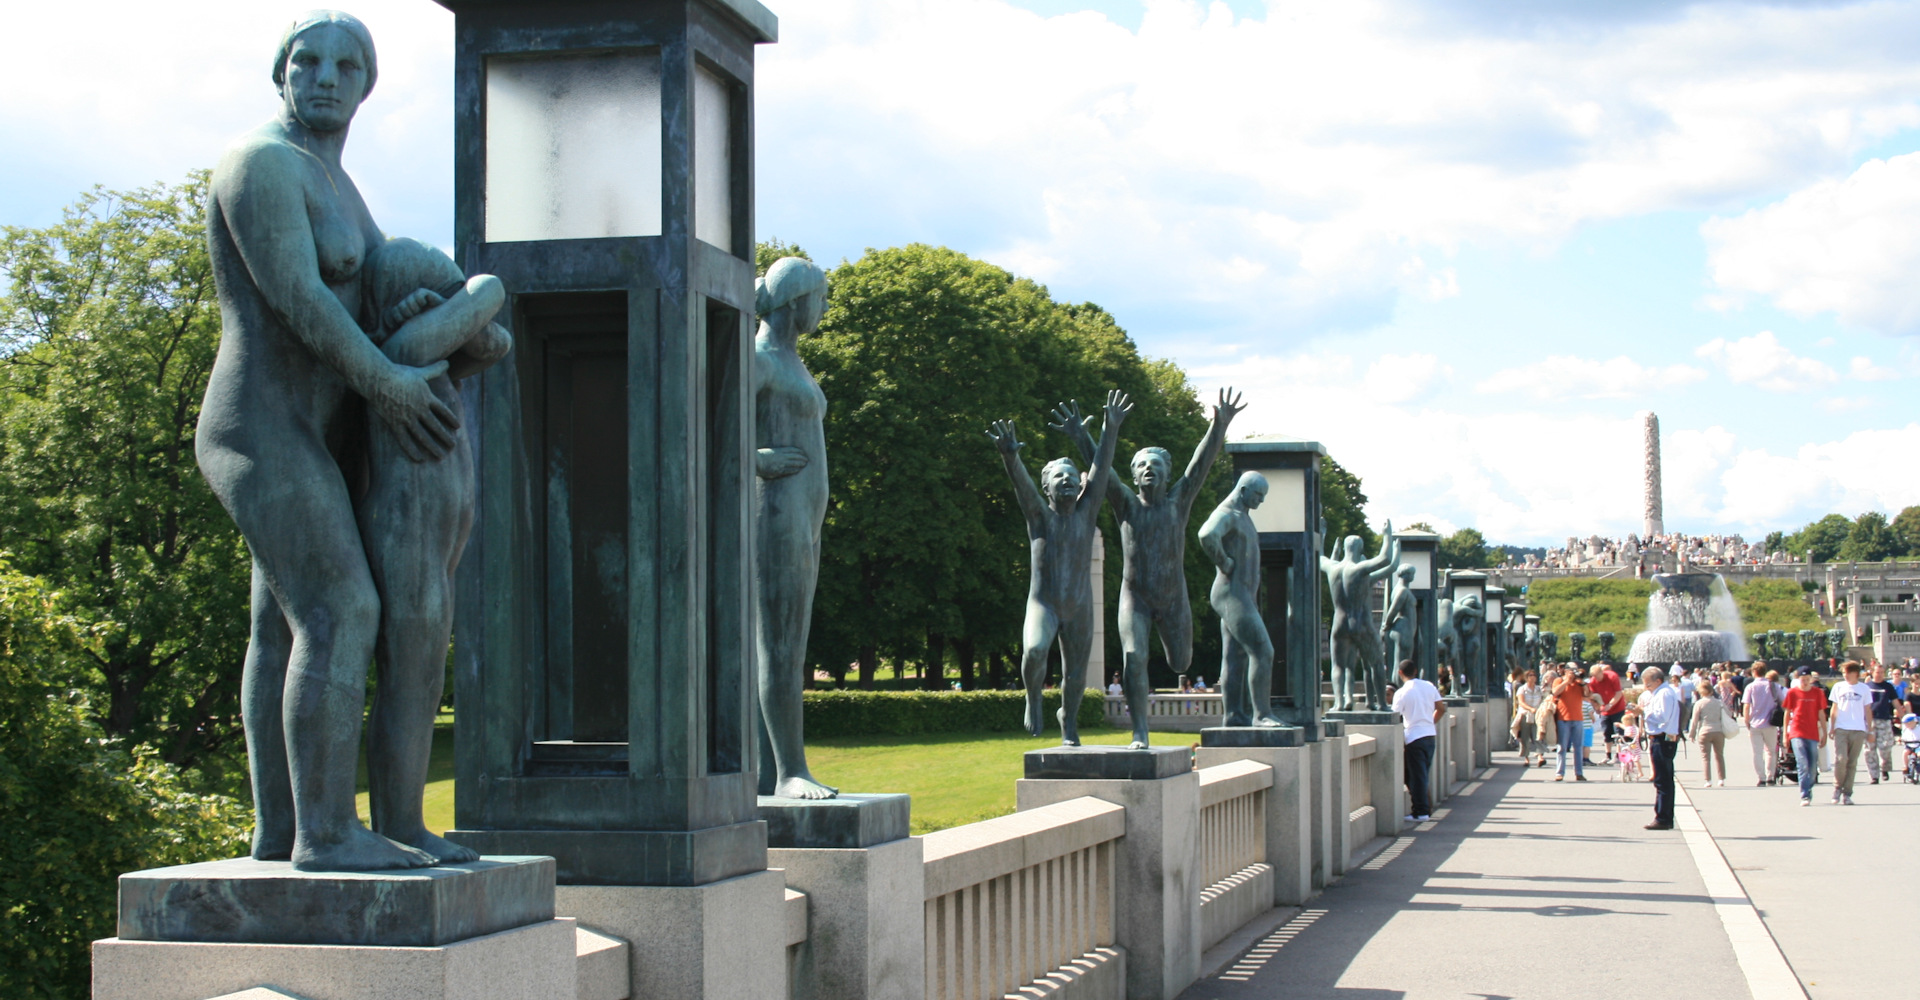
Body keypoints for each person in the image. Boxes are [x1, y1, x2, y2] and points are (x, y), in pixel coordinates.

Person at [198, 12, 512, 871]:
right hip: (261, 428)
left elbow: (383, 292)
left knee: (281, 629)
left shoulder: (341, 187)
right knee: (343, 611)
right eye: (307, 60)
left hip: (325, 436)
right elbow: (301, 300)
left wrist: (437, 317)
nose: (325, 76)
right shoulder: (262, 165)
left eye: (346, 65)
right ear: (281, 71)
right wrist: (389, 381)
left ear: (367, 85)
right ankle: (327, 835)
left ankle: (285, 833)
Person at [988, 391, 1131, 744]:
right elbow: (1022, 488)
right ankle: (1033, 697)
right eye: (1058, 477)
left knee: (1077, 677)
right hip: (1045, 605)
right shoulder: (1039, 517)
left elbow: (1101, 469)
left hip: (1079, 608)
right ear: (1046, 488)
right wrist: (1010, 457)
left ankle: (1068, 721)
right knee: (1035, 650)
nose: (1067, 480)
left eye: (1072, 476)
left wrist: (1110, 429)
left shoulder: (1087, 512)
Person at [1390, 659, 1445, 823]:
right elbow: (1441, 709)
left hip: (1413, 736)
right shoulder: (1429, 686)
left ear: (1400, 673)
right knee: (1422, 774)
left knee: (1416, 776)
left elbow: (1394, 716)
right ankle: (1422, 808)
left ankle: (1421, 812)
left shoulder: (1401, 693)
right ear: (1415, 671)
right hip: (1429, 735)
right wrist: (1430, 722)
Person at [1638, 667, 1681, 829]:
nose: (1646, 688)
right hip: (1660, 737)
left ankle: (1663, 817)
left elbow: (1662, 716)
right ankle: (1664, 816)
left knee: (1663, 780)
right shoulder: (1660, 693)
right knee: (1662, 779)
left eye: (1648, 685)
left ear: (1658, 681)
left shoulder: (1664, 694)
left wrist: (1643, 711)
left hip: (1663, 738)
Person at [1782, 667, 1829, 806]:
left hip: (1812, 732)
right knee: (1802, 763)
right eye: (1802, 680)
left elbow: (1821, 713)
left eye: (1807, 679)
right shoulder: (1793, 693)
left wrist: (1825, 732)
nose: (1805, 682)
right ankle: (1804, 794)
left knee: (1813, 765)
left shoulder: (1817, 693)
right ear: (1798, 680)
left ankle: (1809, 786)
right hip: (1797, 731)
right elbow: (1787, 713)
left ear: (1811, 680)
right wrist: (1786, 733)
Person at [1827, 660, 1872, 805]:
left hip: (1858, 729)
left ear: (1855, 674)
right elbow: (1834, 708)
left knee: (1852, 763)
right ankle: (1837, 787)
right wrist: (1832, 726)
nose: (1845, 675)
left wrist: (1869, 730)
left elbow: (1867, 710)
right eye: (1843, 673)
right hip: (1841, 728)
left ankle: (1847, 792)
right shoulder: (1838, 687)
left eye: (1847, 673)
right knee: (1841, 759)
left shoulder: (1864, 689)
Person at [1739, 663, 1783, 786]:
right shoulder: (1774, 686)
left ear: (1754, 672)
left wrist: (1746, 720)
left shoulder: (1750, 687)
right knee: (1771, 751)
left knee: (1757, 752)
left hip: (1755, 723)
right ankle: (1770, 776)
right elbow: (1783, 702)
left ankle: (1761, 777)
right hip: (1771, 722)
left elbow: (1746, 705)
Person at [1549, 664, 1594, 781]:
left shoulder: (1579, 683)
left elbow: (1587, 695)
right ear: (1566, 671)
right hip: (1563, 718)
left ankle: (1579, 773)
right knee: (1562, 747)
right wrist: (1566, 681)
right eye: (1571, 671)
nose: (1573, 673)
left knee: (1578, 747)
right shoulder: (1559, 680)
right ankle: (1560, 772)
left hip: (1578, 718)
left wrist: (1582, 683)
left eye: (1575, 671)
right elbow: (1555, 692)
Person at [1688, 680, 1731, 786]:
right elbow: (1729, 713)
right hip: (1718, 731)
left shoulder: (1699, 703)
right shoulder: (1719, 702)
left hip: (1704, 731)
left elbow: (1694, 720)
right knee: (1719, 755)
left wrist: (1692, 734)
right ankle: (1721, 779)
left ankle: (1708, 780)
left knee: (1705, 757)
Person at [1866, 662, 1899, 784]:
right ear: (1872, 673)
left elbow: (1895, 702)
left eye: (1881, 673)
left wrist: (1903, 717)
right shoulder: (1867, 686)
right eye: (1877, 672)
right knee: (1870, 749)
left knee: (1885, 746)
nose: (1879, 675)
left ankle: (1884, 768)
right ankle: (1874, 775)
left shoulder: (1888, 687)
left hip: (1884, 719)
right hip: (1870, 720)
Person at [1589, 661, 1625, 761]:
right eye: (1594, 677)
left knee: (1618, 732)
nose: (1596, 679)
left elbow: (1618, 693)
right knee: (1606, 732)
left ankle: (1618, 755)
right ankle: (1607, 755)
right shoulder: (1593, 682)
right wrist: (1597, 707)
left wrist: (1610, 704)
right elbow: (1594, 696)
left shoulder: (1612, 676)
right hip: (1604, 709)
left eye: (1597, 676)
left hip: (1617, 707)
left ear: (1602, 672)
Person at [1512, 668, 1547, 766]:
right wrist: (1530, 709)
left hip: (1537, 715)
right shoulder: (1522, 689)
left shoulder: (1538, 689)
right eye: (1530, 675)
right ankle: (1526, 758)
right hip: (1525, 714)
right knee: (1525, 737)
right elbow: (1521, 702)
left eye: (1534, 675)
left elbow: (1544, 698)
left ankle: (1540, 756)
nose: (1533, 677)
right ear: (1526, 678)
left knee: (1538, 736)